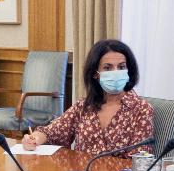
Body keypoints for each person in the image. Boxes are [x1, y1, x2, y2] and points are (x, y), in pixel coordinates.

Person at [22, 39, 154, 157]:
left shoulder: (142, 109)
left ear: (128, 71)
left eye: (121, 67)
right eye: (107, 68)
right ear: (96, 74)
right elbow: (52, 132)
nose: (115, 72)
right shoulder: (84, 106)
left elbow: (139, 162)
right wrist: (34, 139)